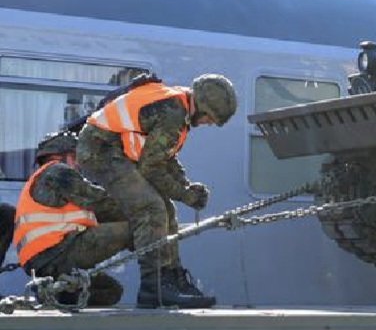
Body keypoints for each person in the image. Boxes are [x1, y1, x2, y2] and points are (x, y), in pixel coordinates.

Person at [75, 73, 237, 309]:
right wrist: (186, 194)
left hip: (113, 149)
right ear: (201, 107)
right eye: (210, 118)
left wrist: (185, 185)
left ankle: (171, 278)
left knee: (166, 209)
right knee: (150, 208)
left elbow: (165, 159)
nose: (208, 124)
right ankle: (154, 288)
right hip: (100, 151)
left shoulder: (178, 105)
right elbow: (151, 168)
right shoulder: (173, 113)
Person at [13, 131, 132, 306]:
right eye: (76, 158)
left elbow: (100, 212)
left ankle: (56, 296)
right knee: (137, 227)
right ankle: (158, 285)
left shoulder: (42, 181)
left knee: (110, 291)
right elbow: (102, 202)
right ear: (63, 155)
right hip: (57, 255)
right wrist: (143, 213)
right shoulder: (58, 172)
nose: (79, 164)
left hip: (45, 262)